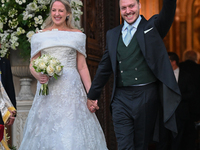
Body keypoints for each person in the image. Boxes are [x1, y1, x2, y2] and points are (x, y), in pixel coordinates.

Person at [87, 0, 181, 149]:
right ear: (119, 9)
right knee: (124, 145)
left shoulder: (152, 27)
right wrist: (92, 95)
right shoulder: (112, 34)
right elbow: (104, 67)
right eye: (123, 8)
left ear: (139, 6)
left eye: (131, 6)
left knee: (140, 145)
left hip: (146, 96)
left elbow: (168, 13)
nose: (128, 11)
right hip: (121, 98)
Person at [18, 0, 108, 149]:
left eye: (60, 11)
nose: (57, 14)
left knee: (72, 130)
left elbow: (82, 66)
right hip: (48, 93)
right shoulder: (40, 36)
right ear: (50, 12)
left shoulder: (78, 36)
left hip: (71, 92)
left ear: (67, 13)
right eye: (54, 10)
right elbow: (33, 63)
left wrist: (92, 95)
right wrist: (38, 76)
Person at [156, 52, 195, 150]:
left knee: (178, 142)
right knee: (163, 140)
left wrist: (177, 98)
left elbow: (191, 93)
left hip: (180, 114)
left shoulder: (186, 76)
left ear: (173, 62)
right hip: (164, 114)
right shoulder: (161, 76)